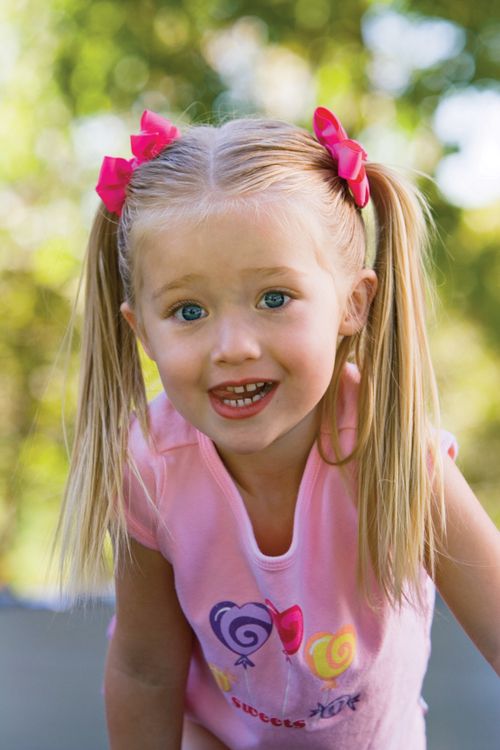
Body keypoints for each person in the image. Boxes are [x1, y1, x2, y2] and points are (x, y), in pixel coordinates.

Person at [56, 107, 500, 749]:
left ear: (354, 304)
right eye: (188, 310)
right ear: (141, 330)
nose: (233, 346)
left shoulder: (397, 455)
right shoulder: (151, 466)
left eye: (273, 299)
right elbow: (145, 669)